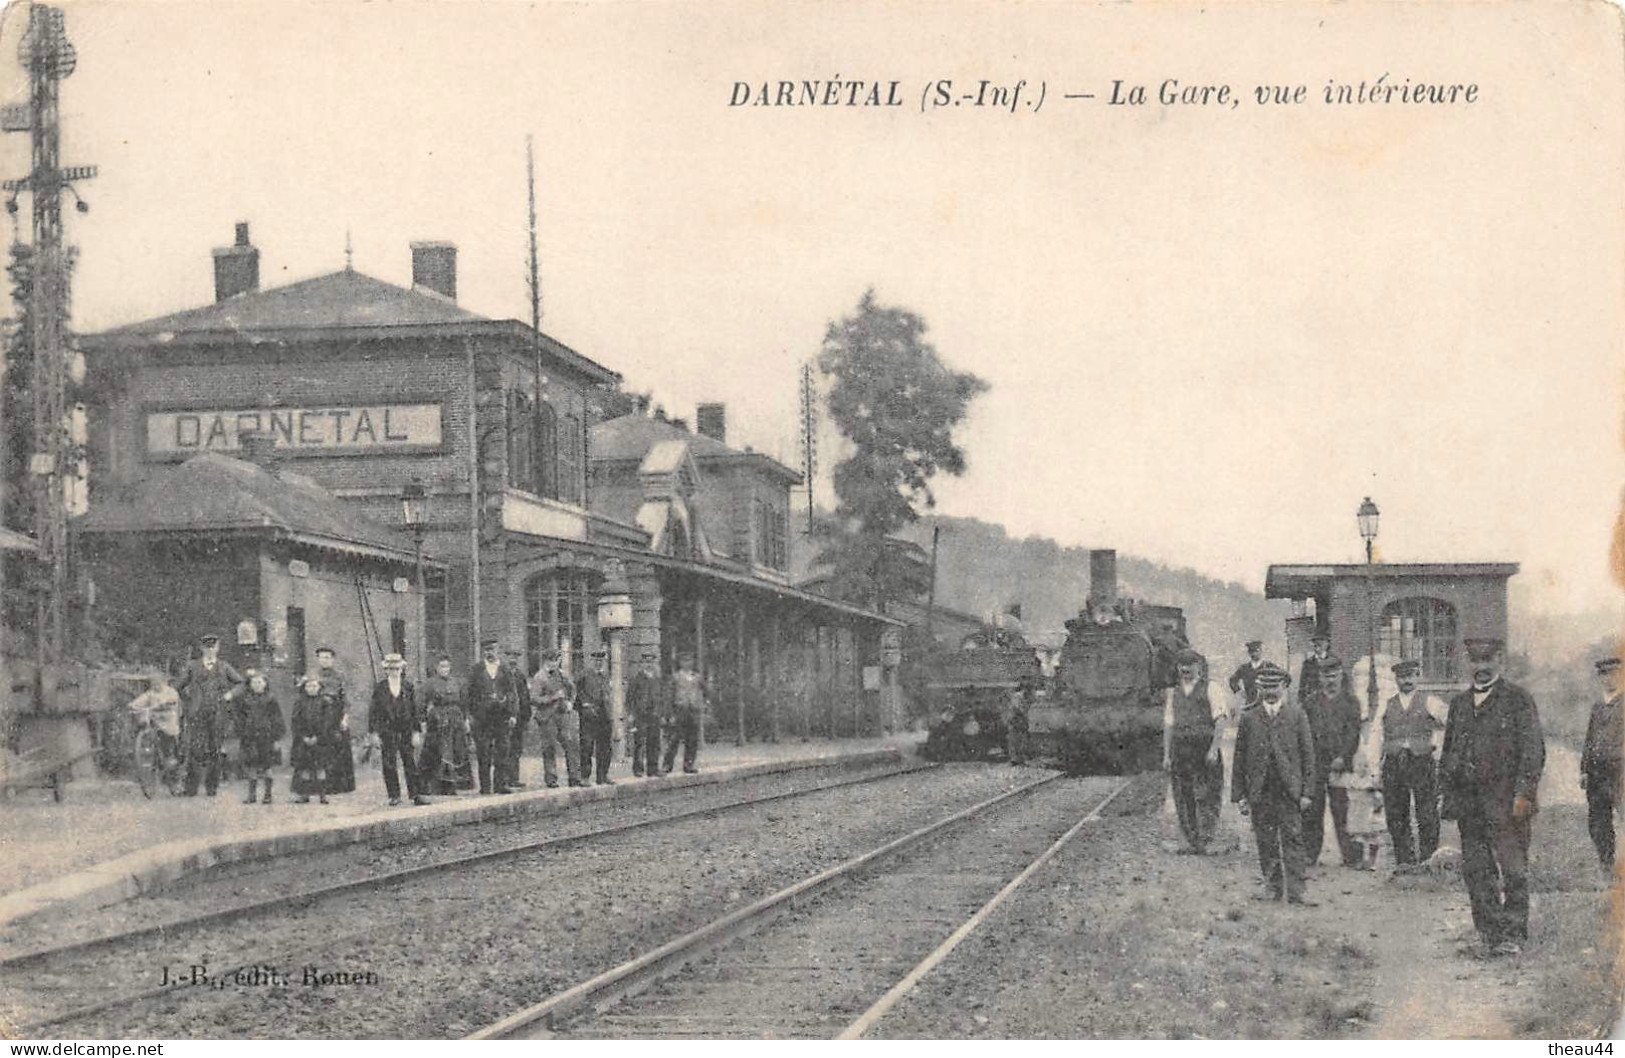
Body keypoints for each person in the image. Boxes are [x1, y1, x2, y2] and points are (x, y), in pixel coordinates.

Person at [1439, 637, 1545, 957]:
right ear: (1466, 662)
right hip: (1470, 805)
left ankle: (1513, 934)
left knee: (1513, 870)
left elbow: (1533, 751)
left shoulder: (1517, 699)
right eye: (1474, 661)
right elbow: (1448, 751)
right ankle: (1490, 935)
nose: (1481, 668)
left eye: (1487, 661)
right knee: (1477, 870)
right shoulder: (1458, 705)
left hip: (1507, 804)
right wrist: (1447, 789)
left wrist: (1524, 793)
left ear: (1499, 660)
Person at [1232, 663, 1317, 904]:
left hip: (1289, 790)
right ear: (1258, 687)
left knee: (1293, 838)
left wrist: (1307, 792)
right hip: (1261, 790)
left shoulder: (1297, 714)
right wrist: (1240, 795)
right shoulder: (1249, 717)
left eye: (1275, 686)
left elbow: (1308, 755)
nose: (1270, 691)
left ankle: (1297, 891)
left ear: (1284, 686)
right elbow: (1239, 759)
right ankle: (1272, 887)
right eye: (1265, 686)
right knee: (1265, 840)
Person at [1375, 659, 1447, 866]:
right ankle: (1404, 861)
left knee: (1427, 812)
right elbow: (1376, 735)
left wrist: (1436, 746)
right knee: (1396, 813)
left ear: (1418, 677)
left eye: (1411, 676)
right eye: (1402, 677)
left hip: (1421, 761)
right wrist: (1374, 765)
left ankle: (1428, 860)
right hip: (1394, 762)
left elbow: (1450, 724)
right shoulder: (1386, 704)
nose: (1407, 680)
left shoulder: (1430, 701)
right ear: (1396, 679)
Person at [1163, 648, 1228, 854]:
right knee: (1183, 795)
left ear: (1198, 667)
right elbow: (1169, 725)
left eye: (1190, 665)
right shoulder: (1173, 693)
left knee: (1207, 795)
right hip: (1181, 752)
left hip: (1204, 750)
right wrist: (1166, 755)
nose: (1185, 670)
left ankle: (1206, 840)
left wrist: (1214, 750)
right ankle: (1190, 841)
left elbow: (1220, 720)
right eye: (1182, 666)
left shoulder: (1212, 688)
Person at [1301, 658, 1363, 869]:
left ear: (1340, 676)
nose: (1330, 680)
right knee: (1313, 810)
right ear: (1320, 677)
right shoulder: (1310, 702)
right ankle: (1310, 854)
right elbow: (1305, 734)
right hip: (1316, 764)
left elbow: (1354, 734)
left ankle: (1350, 855)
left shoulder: (1351, 702)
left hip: (1340, 764)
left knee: (1342, 809)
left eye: (1334, 675)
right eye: (1326, 676)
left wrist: (1343, 757)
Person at [174, 634, 244, 796]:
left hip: (218, 713)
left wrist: (230, 695)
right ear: (202, 649)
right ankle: (191, 788)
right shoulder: (192, 666)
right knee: (196, 749)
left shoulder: (224, 666)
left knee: (215, 749)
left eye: (213, 647)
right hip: (197, 713)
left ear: (218, 648)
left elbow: (241, 683)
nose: (210, 650)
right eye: (207, 647)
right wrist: (188, 701)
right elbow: (178, 685)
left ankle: (212, 787)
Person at [1330, 682, 1385, 870]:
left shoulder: (1379, 734)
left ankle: (1372, 860)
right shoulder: (1357, 736)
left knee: (1373, 826)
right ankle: (1358, 857)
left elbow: (1380, 758)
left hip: (1372, 786)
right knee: (1358, 825)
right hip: (1358, 788)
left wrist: (1378, 785)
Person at [369, 653, 429, 807]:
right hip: (387, 730)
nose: (394, 671)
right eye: (391, 668)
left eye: (397, 668)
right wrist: (374, 733)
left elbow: (414, 710)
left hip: (405, 729)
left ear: (402, 669)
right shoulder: (380, 687)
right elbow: (373, 712)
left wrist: (416, 732)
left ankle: (416, 794)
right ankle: (394, 795)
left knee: (409, 761)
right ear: (386, 670)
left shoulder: (408, 687)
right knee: (389, 763)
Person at [1580, 656, 1622, 870]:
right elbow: (1590, 738)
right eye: (1604, 675)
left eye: (1613, 674)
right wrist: (1584, 770)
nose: (1609, 679)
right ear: (1599, 678)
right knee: (1598, 822)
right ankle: (1606, 863)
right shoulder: (1597, 706)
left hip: (1620, 772)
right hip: (1597, 773)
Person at [466, 637, 520, 794]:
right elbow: (468, 694)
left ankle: (500, 784)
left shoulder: (505, 669)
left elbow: (513, 693)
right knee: (483, 752)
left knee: (502, 750)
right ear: (484, 652)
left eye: (493, 650)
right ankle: (485, 787)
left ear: (498, 651)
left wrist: (512, 714)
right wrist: (471, 715)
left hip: (501, 717)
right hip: (482, 718)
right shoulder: (476, 670)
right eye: (487, 650)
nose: (490, 653)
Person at [420, 654, 473, 795]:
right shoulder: (430, 683)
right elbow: (422, 703)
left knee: (458, 749)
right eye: (442, 666)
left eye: (447, 666)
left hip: (456, 718)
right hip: (438, 719)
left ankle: (458, 784)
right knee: (441, 751)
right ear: (436, 668)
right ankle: (440, 786)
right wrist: (423, 722)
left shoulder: (456, 682)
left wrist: (466, 719)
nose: (445, 669)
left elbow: (464, 702)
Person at [530, 650, 583, 788]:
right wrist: (553, 697)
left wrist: (570, 702)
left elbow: (573, 689)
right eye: (552, 660)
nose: (555, 663)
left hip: (562, 714)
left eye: (557, 660)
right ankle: (551, 779)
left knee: (571, 744)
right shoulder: (539, 677)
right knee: (549, 748)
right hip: (547, 717)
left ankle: (575, 777)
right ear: (546, 661)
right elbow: (534, 699)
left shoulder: (562, 674)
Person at [232, 668, 285, 804]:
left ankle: (268, 795)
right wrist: (241, 731)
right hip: (249, 736)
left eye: (260, 682)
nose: (257, 685)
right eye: (254, 682)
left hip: (266, 736)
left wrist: (277, 737)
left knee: (267, 766)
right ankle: (252, 795)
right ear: (250, 684)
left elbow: (277, 719)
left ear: (265, 684)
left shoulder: (271, 699)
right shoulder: (245, 699)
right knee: (251, 765)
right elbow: (239, 717)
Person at [290, 674, 338, 804]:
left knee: (320, 767)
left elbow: (328, 721)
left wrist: (318, 736)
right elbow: (295, 721)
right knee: (305, 768)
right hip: (303, 740)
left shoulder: (325, 702)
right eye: (309, 686)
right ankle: (304, 795)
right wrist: (303, 736)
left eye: (314, 686)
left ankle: (323, 795)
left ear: (319, 687)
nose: (311, 688)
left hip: (320, 740)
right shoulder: (299, 702)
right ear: (304, 688)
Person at [662, 653, 706, 775]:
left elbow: (704, 690)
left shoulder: (697, 677)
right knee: (674, 739)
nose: (688, 663)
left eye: (690, 660)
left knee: (692, 740)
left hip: (693, 711)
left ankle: (689, 764)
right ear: (680, 663)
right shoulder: (675, 677)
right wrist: (669, 714)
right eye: (685, 661)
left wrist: (701, 704)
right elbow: (669, 696)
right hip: (679, 710)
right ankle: (667, 765)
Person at [127, 670, 181, 767]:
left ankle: (170, 755)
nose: (155, 685)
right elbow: (142, 699)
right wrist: (133, 704)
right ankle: (142, 750)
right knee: (143, 724)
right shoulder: (151, 693)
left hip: (167, 717)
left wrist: (164, 702)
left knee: (168, 732)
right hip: (154, 717)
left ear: (163, 682)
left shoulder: (170, 691)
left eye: (157, 683)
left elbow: (173, 699)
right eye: (153, 683)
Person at [577, 649, 615, 785]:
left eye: (601, 661)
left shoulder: (605, 676)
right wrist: (584, 704)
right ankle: (585, 776)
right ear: (591, 661)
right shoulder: (584, 674)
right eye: (596, 660)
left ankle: (602, 775)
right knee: (587, 746)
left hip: (604, 715)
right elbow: (577, 691)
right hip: (589, 716)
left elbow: (608, 693)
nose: (598, 663)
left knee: (605, 746)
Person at [626, 649, 664, 778]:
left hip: (654, 715)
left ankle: (653, 769)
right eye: (646, 662)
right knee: (640, 743)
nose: (648, 664)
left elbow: (661, 698)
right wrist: (630, 714)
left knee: (654, 742)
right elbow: (629, 698)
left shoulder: (657, 679)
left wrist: (661, 713)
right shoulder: (636, 679)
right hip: (640, 715)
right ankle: (638, 769)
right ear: (641, 663)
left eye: (651, 661)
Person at [501, 648, 533, 790]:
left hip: (519, 718)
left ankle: (514, 778)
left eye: (515, 658)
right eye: (510, 657)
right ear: (506, 659)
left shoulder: (520, 676)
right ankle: (504, 778)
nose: (513, 660)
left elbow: (525, 697)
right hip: (506, 718)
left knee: (516, 748)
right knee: (505, 747)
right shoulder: (501, 675)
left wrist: (526, 716)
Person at [1297, 632, 1340, 704]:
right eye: (1315, 644)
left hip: (1330, 700)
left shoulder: (1335, 662)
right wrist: (1302, 701)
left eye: (1320, 644)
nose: (1317, 647)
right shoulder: (1307, 663)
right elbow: (1302, 684)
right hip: (1313, 701)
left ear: (1327, 644)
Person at [1228, 640, 1266, 707]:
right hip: (1250, 701)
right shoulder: (1244, 668)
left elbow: (1284, 677)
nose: (1254, 654)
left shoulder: (1268, 666)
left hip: (1265, 702)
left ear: (1261, 651)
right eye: (1251, 651)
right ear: (1249, 653)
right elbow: (1232, 680)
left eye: (1256, 651)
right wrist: (1239, 691)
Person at [1006, 677, 1035, 766]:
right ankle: (1015, 758)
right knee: (1015, 739)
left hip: (1021, 720)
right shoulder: (1017, 696)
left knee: (1022, 739)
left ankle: (1021, 757)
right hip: (1015, 719)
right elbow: (1019, 708)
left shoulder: (1026, 697)